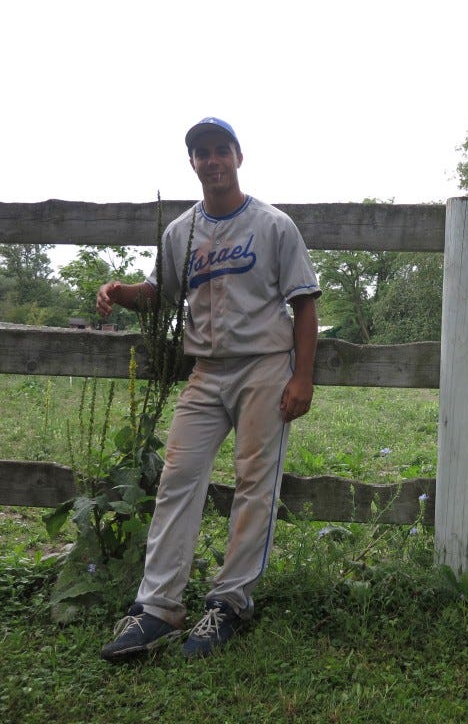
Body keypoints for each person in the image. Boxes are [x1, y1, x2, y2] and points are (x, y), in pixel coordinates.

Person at [96, 117, 320, 661]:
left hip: (264, 367)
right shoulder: (182, 232)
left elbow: (305, 303)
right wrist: (120, 291)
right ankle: (158, 608)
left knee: (253, 483)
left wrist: (303, 376)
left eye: (222, 150)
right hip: (205, 372)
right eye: (202, 152)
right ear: (192, 163)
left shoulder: (272, 225)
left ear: (239, 158)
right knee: (177, 478)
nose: (213, 160)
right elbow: (163, 294)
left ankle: (230, 602)